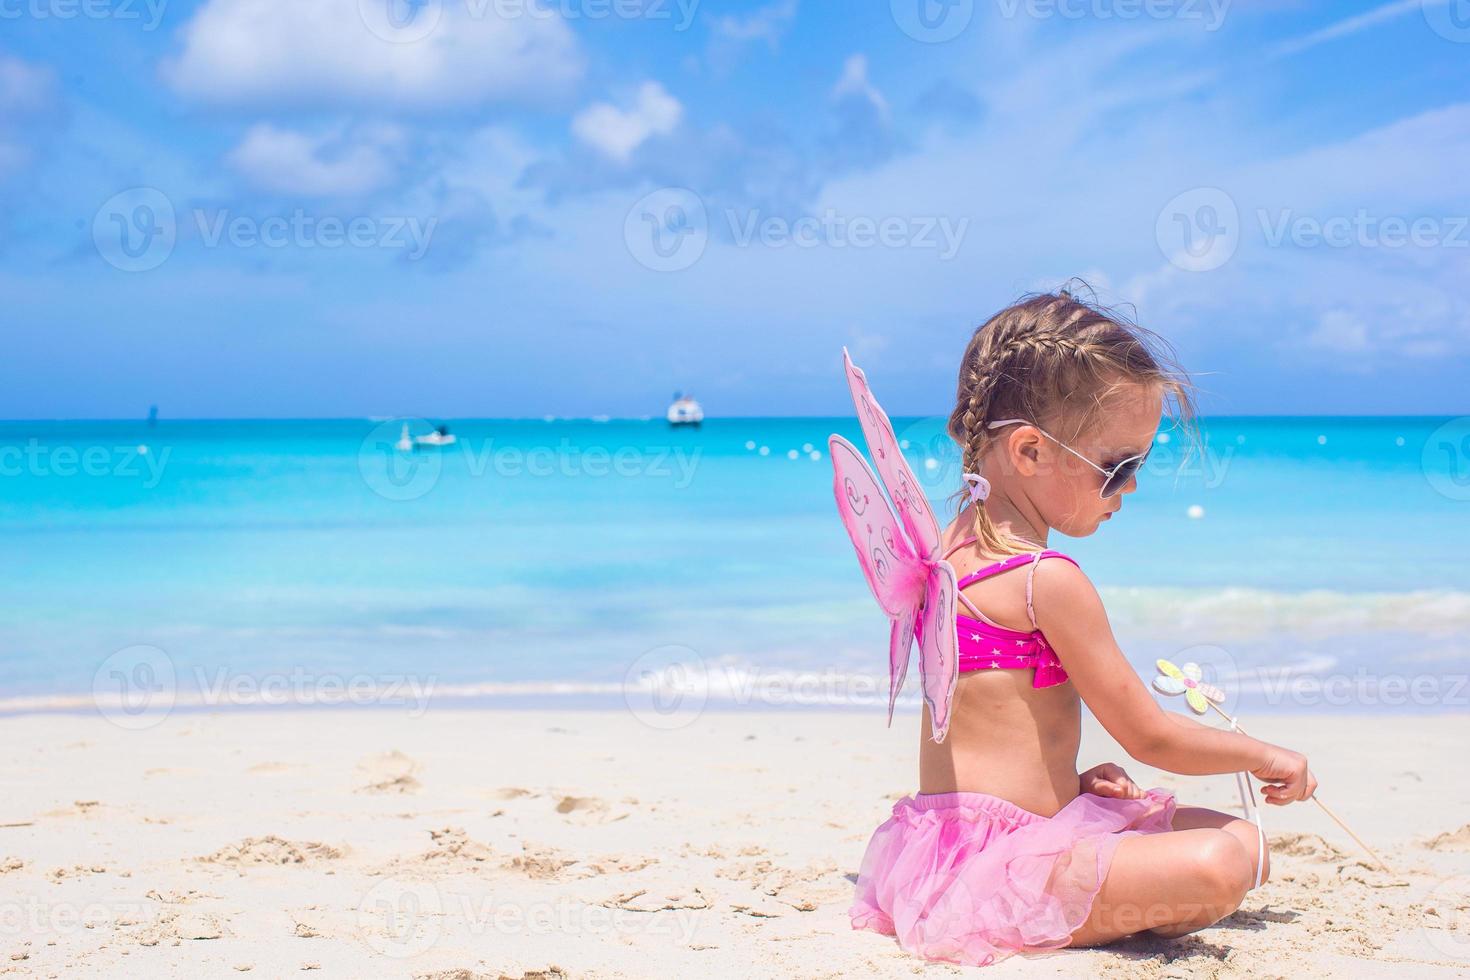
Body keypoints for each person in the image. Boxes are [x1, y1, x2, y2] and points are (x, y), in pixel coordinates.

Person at [847, 285, 1317, 967]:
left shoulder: (941, 556)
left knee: (1243, 842)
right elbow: (1147, 734)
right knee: (1226, 861)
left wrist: (1065, 782)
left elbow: (995, 726)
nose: (1129, 490)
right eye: (1118, 467)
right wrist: (1264, 755)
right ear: (1031, 452)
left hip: (946, 846)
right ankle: (1037, 915)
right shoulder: (1047, 579)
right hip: (1001, 867)